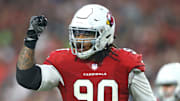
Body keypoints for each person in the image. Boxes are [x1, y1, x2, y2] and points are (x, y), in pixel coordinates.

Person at [16, 4, 156, 101]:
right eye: (77, 34)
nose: (79, 40)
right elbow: (26, 78)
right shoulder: (63, 61)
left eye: (87, 35)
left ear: (105, 34)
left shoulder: (126, 62)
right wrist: (30, 39)